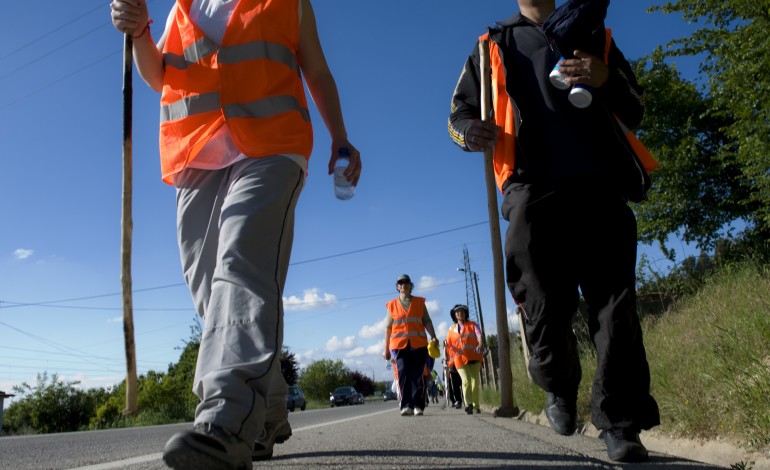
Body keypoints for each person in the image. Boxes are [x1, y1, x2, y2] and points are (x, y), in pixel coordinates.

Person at [109, 1, 361, 469]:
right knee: (209, 290)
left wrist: (340, 137)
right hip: (197, 156)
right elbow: (158, 74)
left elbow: (318, 71)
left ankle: (224, 419)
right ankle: (265, 412)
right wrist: (139, 32)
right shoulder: (182, 7)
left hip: (273, 147)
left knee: (242, 263)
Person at [447, 0, 659, 463]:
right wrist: (469, 132)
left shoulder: (596, 35)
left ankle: (621, 422)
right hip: (530, 188)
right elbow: (457, 115)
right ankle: (558, 384)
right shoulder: (492, 45)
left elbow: (636, 106)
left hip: (601, 184)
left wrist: (603, 77)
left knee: (614, 305)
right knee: (541, 297)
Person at [383, 274, 437, 417]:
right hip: (399, 345)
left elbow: (427, 321)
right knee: (403, 374)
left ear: (411, 286)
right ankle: (406, 405)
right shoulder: (392, 305)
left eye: (407, 282)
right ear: (397, 287)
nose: (404, 284)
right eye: (401, 282)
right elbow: (388, 329)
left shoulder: (419, 303)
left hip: (418, 344)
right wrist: (385, 349)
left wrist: (434, 336)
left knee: (417, 375)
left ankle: (418, 405)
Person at [445, 305, 484, 415]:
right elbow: (448, 343)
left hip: (474, 356)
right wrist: (444, 344)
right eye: (457, 312)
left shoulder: (472, 325)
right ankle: (468, 404)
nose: (460, 314)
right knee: (466, 380)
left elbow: (479, 335)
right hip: (460, 359)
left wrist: (480, 344)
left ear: (465, 313)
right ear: (454, 315)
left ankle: (476, 405)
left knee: (475, 382)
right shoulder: (451, 329)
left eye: (462, 312)